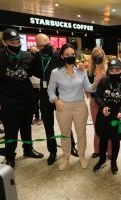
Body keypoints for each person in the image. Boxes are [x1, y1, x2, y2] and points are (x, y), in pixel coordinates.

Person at [0, 28, 44, 168]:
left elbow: (37, 73)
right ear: (4, 42)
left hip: (26, 98)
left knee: (26, 127)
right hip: (8, 100)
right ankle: (10, 157)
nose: (16, 45)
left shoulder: (27, 56)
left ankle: (28, 149)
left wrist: (39, 57)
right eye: (12, 42)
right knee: (11, 130)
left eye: (18, 42)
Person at [48, 43, 101, 171]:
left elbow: (87, 88)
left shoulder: (81, 71)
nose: (70, 56)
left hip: (80, 106)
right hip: (63, 107)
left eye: (72, 54)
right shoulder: (55, 73)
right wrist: (55, 100)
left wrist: (95, 83)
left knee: (81, 133)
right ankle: (66, 157)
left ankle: (81, 156)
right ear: (62, 56)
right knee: (65, 134)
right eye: (67, 55)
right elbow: (50, 90)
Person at [32, 33, 78, 166]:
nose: (43, 47)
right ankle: (52, 151)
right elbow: (32, 73)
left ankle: (71, 146)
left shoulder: (60, 56)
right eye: (40, 46)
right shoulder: (36, 57)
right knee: (48, 125)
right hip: (45, 96)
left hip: (61, 96)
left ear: (50, 41)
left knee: (66, 123)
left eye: (45, 44)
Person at [93, 58, 121, 174]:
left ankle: (114, 161)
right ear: (108, 71)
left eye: (117, 70)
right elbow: (98, 95)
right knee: (103, 138)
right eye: (111, 71)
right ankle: (102, 160)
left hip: (118, 115)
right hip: (104, 114)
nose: (114, 73)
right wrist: (102, 106)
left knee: (116, 140)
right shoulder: (103, 81)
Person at [87, 47, 112, 159]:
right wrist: (96, 81)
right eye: (96, 54)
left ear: (103, 55)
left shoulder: (109, 70)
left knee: (108, 126)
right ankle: (97, 150)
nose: (98, 56)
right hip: (94, 102)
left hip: (108, 102)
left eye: (100, 54)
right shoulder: (90, 72)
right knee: (97, 126)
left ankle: (110, 151)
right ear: (92, 57)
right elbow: (88, 91)